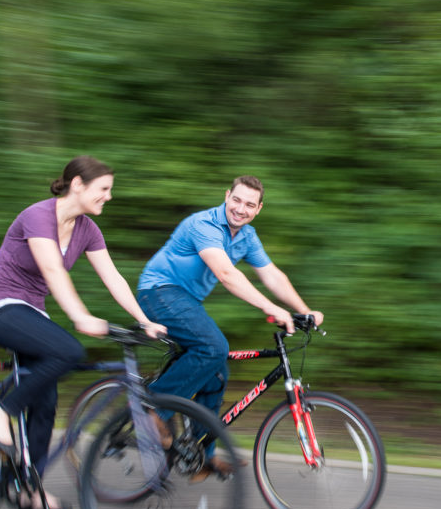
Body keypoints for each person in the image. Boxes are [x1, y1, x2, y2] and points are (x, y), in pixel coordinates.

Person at [0, 156, 166, 509]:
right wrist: (79, 316)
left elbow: (113, 278)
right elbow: (51, 269)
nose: (109, 196)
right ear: (78, 184)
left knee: (45, 402)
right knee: (68, 351)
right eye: (104, 189)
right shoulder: (38, 216)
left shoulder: (87, 230)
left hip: (31, 312)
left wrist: (144, 320)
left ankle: (28, 489)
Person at [136, 175, 324, 480]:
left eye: (250, 204)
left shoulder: (247, 237)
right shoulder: (204, 224)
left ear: (258, 209)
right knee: (214, 348)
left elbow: (272, 275)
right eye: (236, 200)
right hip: (159, 291)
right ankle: (153, 411)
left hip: (187, 300)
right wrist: (271, 307)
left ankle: (201, 455)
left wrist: (304, 311)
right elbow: (225, 273)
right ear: (227, 196)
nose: (241, 208)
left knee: (217, 371)